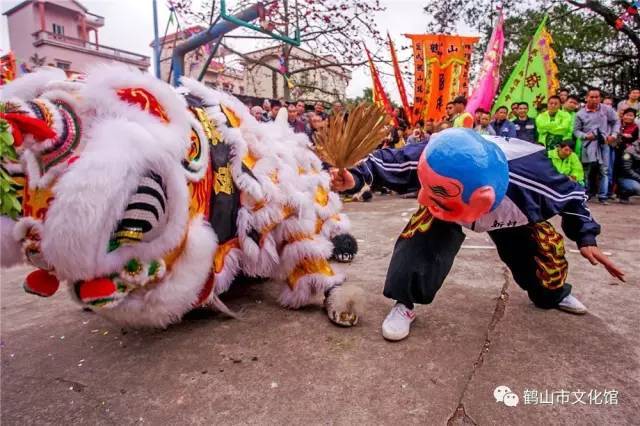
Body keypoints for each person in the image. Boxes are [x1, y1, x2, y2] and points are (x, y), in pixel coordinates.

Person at [330, 129, 624, 341]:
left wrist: (586, 237)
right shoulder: (438, 153)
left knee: (544, 255)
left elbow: (573, 196)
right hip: (446, 206)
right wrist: (355, 177)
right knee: (421, 234)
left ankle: (552, 294)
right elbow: (387, 161)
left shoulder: (534, 179)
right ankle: (405, 303)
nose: (421, 197)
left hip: (509, 212)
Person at [574, 88, 620, 204]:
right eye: (591, 97)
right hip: (588, 145)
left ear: (600, 98)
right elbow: (576, 131)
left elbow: (616, 121)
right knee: (588, 170)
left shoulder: (607, 109)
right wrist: (585, 136)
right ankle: (587, 194)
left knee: (604, 170)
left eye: (597, 97)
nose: (594, 99)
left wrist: (613, 135)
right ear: (586, 98)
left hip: (603, 143)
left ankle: (603, 196)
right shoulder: (580, 113)